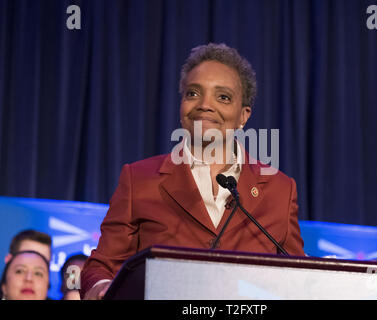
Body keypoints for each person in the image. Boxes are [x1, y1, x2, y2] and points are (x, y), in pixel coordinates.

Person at [81, 43, 305, 299]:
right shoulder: (139, 179)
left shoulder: (280, 190)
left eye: (223, 97)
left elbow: (297, 276)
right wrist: (100, 287)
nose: (204, 105)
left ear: (243, 116)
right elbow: (101, 266)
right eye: (193, 93)